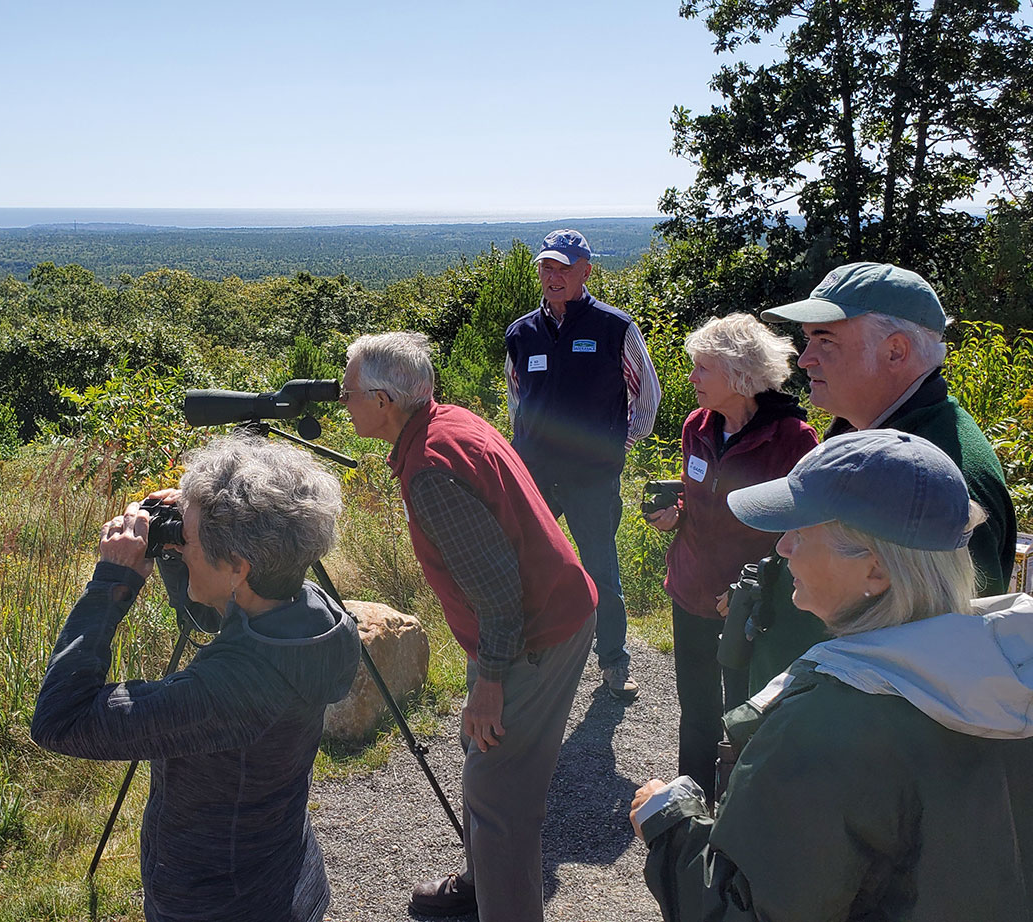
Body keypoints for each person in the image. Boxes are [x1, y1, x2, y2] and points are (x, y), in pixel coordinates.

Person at [630, 429, 1033, 922]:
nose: (781, 548)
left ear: (875, 571)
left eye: (801, 531)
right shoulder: (1011, 674)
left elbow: (747, 911)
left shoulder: (822, 726)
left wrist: (670, 823)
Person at [30, 435, 361, 922]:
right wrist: (188, 525)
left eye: (189, 540)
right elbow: (221, 613)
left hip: (218, 903)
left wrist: (110, 584)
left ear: (237, 567)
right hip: (285, 874)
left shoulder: (224, 696)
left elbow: (61, 718)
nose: (182, 548)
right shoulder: (313, 615)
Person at [341, 332, 597, 922]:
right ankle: (483, 883)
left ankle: (501, 900)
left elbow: (499, 591)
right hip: (546, 615)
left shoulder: (430, 468)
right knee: (483, 755)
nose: (343, 401)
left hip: (535, 632)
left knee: (500, 795)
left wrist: (490, 682)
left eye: (348, 391)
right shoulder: (448, 423)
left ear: (384, 401)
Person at [743, 261, 1016, 693]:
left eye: (826, 339)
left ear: (896, 352)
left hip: (842, 744)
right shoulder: (865, 431)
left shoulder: (943, 475)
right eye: (807, 338)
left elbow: (946, 668)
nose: (805, 356)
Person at [642, 313, 817, 803]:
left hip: (749, 606)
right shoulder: (697, 425)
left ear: (740, 375)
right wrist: (673, 514)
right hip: (690, 586)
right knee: (695, 708)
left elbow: (800, 529)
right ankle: (688, 806)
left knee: (745, 712)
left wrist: (752, 589)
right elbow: (700, 499)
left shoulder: (794, 440)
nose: (692, 378)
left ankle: (739, 812)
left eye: (702, 369)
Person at [505, 229, 661, 700]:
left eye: (564, 268)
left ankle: (613, 664)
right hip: (534, 476)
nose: (553, 276)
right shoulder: (521, 333)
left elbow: (646, 397)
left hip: (592, 478)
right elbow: (517, 401)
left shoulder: (615, 327)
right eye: (547, 267)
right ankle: (525, 656)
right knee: (523, 565)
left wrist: (617, 445)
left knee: (601, 572)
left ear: (586, 271)